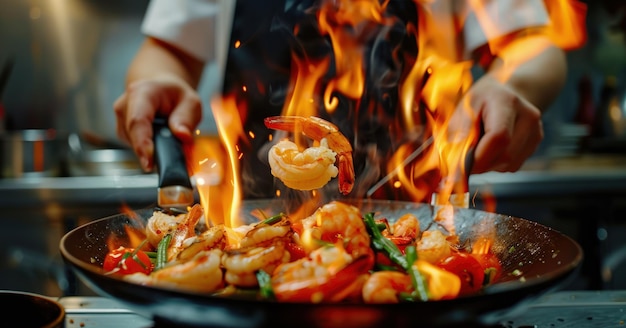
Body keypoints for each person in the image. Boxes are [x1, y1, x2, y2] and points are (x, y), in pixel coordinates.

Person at [114, 0, 582, 200]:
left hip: (419, 214)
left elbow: (534, 48)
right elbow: (164, 54)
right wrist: (156, 82)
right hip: (254, 217)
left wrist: (510, 86)